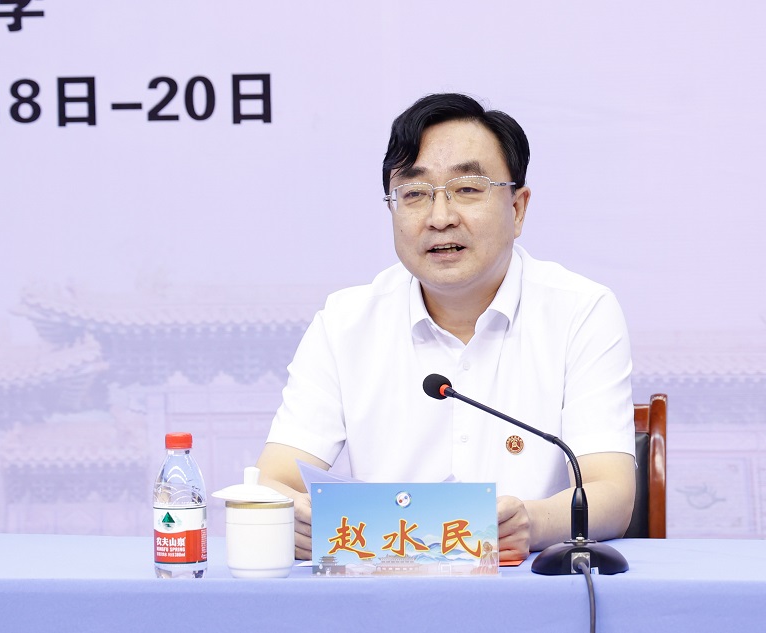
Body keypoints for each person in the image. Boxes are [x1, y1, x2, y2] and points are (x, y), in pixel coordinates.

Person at [257, 93, 636, 563]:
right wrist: (295, 517)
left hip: (530, 590)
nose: (440, 218)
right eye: (415, 194)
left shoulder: (581, 311)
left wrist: (532, 523)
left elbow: (611, 493)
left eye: (468, 189)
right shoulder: (345, 322)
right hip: (381, 591)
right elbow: (274, 479)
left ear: (518, 208)